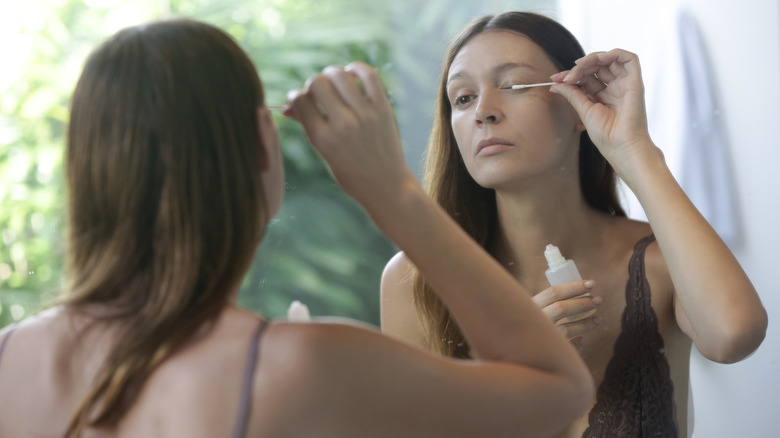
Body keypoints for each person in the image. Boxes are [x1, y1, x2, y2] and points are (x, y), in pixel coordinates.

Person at [0, 18, 594, 438]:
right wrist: (391, 191)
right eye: (461, 97)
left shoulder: (9, 357)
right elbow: (556, 388)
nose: (484, 108)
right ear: (263, 147)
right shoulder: (300, 366)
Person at [380, 11, 767, 438]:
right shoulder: (416, 281)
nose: (483, 112)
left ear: (578, 104)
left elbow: (735, 335)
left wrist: (634, 148)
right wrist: (508, 383)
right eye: (463, 98)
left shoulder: (656, 261)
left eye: (512, 86)